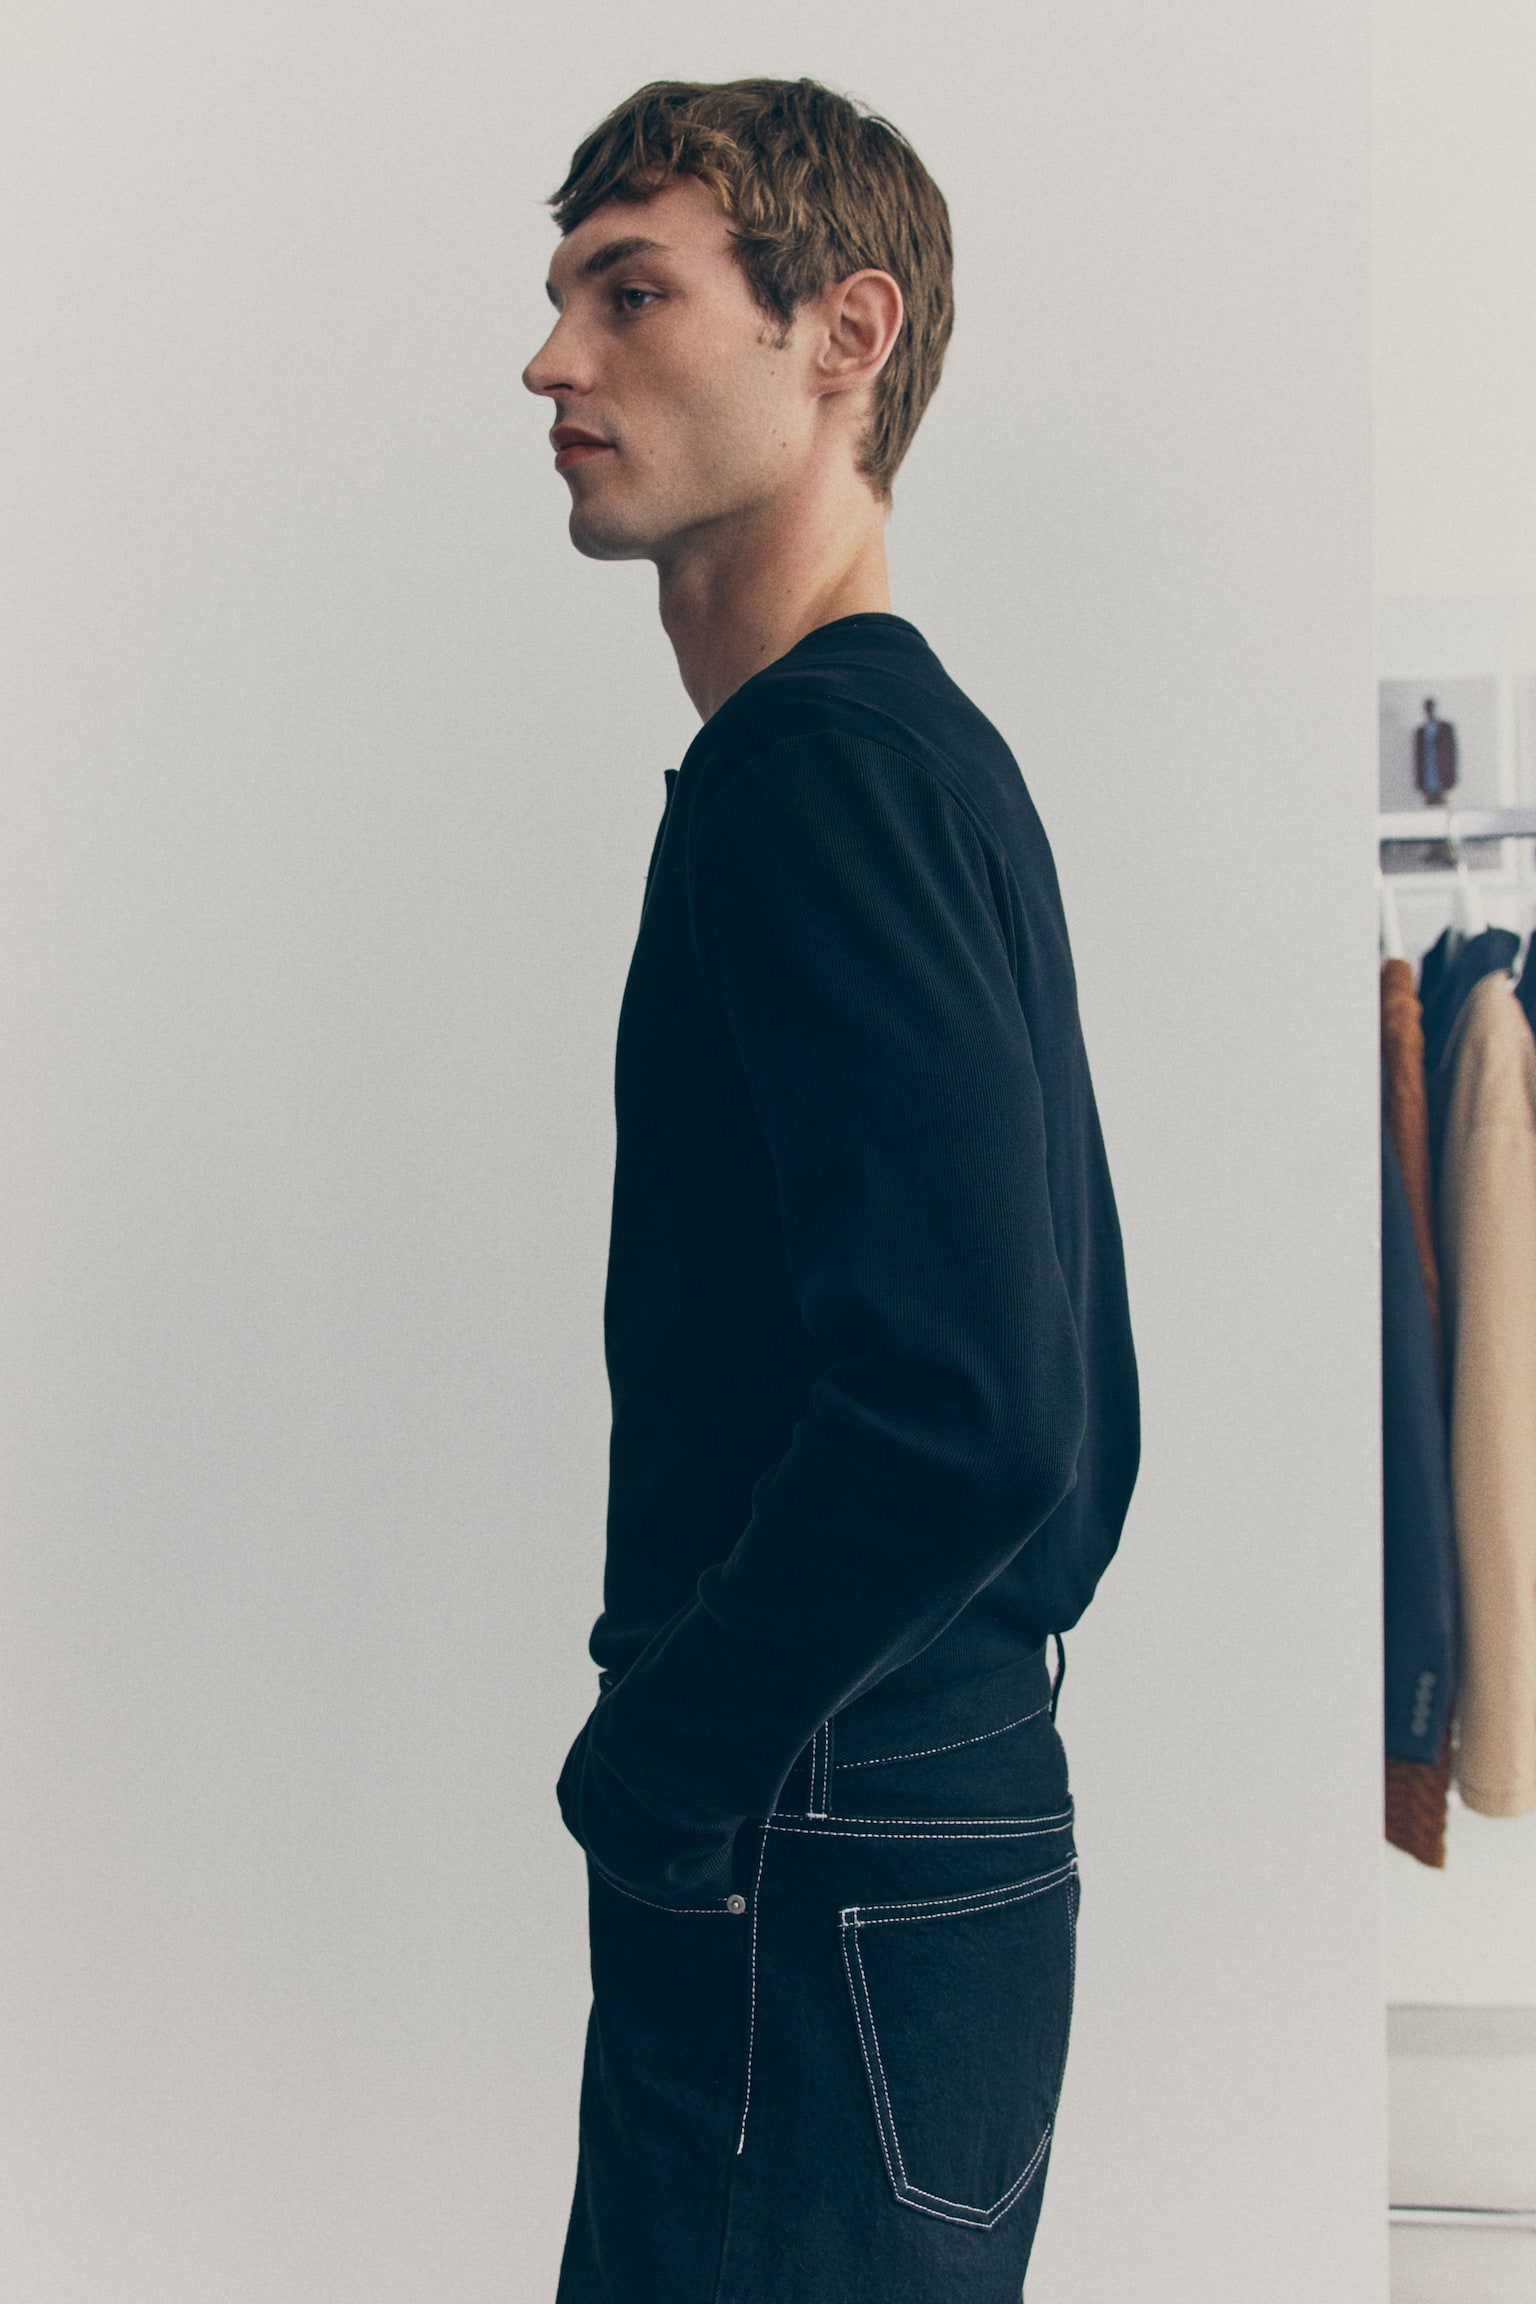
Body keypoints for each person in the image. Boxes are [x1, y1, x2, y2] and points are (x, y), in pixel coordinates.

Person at [522, 75, 1140, 2304]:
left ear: (843, 336)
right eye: (562, 297)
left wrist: (660, 1766)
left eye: (632, 294)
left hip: (814, 1828)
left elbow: (980, 1407)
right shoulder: (910, 756)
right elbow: (1062, 1413)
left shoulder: (817, 774)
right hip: (913, 1814)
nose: (552, 362)